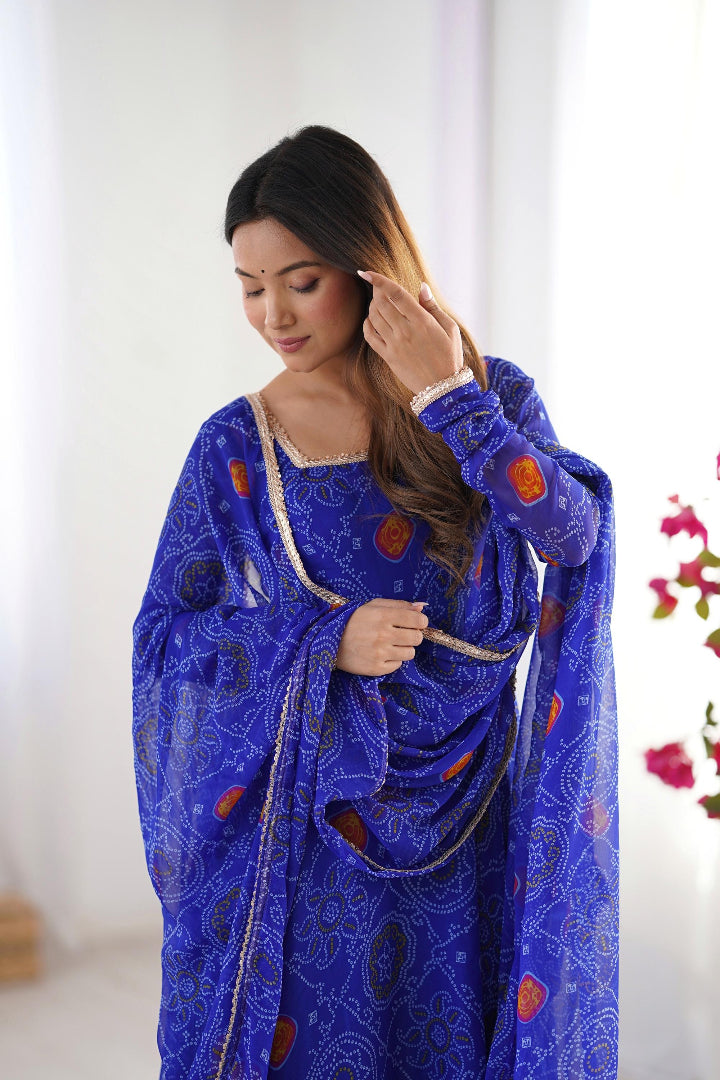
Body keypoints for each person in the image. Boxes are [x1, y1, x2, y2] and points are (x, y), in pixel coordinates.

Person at [132, 125, 618, 1080]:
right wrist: (323, 641)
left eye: (299, 280)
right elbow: (164, 640)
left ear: (369, 266)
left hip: (473, 814)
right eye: (248, 285)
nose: (272, 313)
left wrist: (449, 399)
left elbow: (572, 536)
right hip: (323, 827)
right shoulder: (236, 446)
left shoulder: (484, 395)